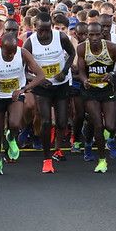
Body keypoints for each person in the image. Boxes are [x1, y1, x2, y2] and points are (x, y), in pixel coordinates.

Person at [0, 32, 45, 175]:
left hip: (15, 94)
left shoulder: (23, 53)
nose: (11, 55)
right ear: (1, 47)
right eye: (7, 52)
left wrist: (24, 89)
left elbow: (40, 75)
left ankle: (11, 137)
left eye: (13, 52)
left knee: (15, 124)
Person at [24, 12, 78, 172]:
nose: (45, 33)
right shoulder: (30, 43)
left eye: (47, 30)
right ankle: (47, 159)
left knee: (61, 121)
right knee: (46, 121)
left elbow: (72, 54)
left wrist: (65, 70)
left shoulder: (60, 37)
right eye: (41, 30)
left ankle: (57, 148)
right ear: (35, 28)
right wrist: (37, 79)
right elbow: (22, 70)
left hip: (61, 83)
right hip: (43, 87)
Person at [76, 22, 116, 173]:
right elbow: (81, 71)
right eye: (91, 35)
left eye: (97, 34)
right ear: (87, 35)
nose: (94, 38)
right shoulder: (82, 48)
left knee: (110, 126)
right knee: (98, 124)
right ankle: (102, 160)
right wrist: (84, 80)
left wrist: (113, 74)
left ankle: (91, 139)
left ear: (102, 35)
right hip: (90, 91)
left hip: (107, 89)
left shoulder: (111, 47)